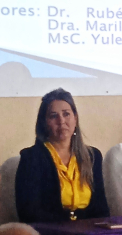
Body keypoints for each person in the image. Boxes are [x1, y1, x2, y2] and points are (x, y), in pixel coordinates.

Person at [16, 88, 109, 223]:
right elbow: (28, 213)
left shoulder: (93, 156)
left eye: (66, 114)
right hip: (50, 231)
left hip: (89, 231)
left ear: (75, 119)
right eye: (53, 116)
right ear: (44, 123)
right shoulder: (31, 158)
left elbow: (102, 210)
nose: (61, 121)